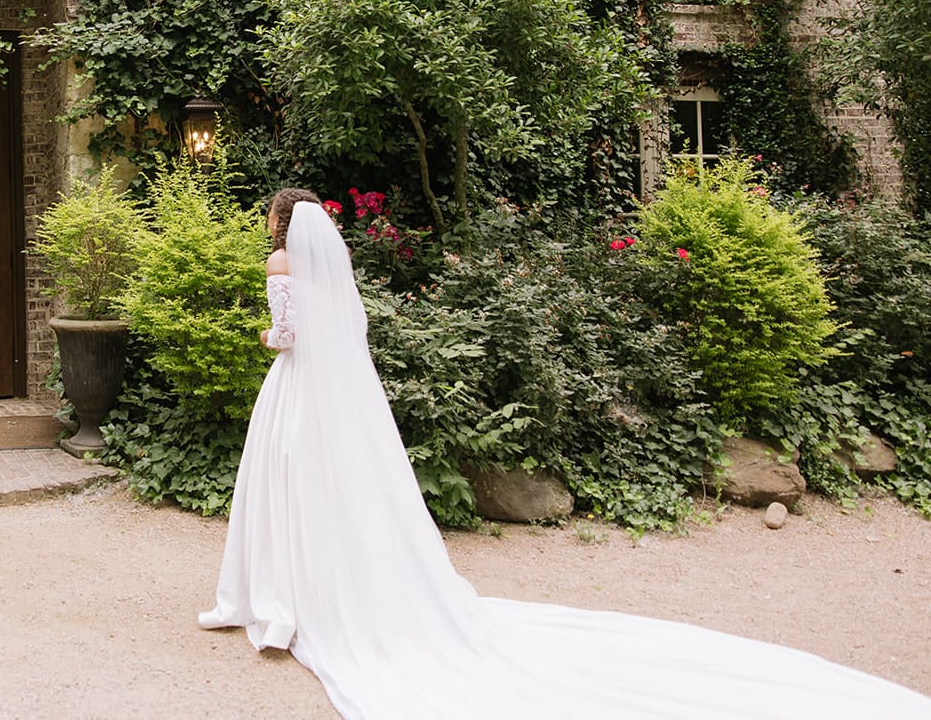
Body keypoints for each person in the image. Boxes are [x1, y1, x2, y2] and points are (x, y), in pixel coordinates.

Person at [200, 191, 931, 719]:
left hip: (296, 391)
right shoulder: (332, 266)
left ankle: (281, 589)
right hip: (340, 398)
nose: (268, 227)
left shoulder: (277, 263)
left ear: (281, 225)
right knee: (337, 487)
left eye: (271, 218)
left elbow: (287, 337)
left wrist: (263, 340)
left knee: (290, 482)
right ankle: (316, 588)